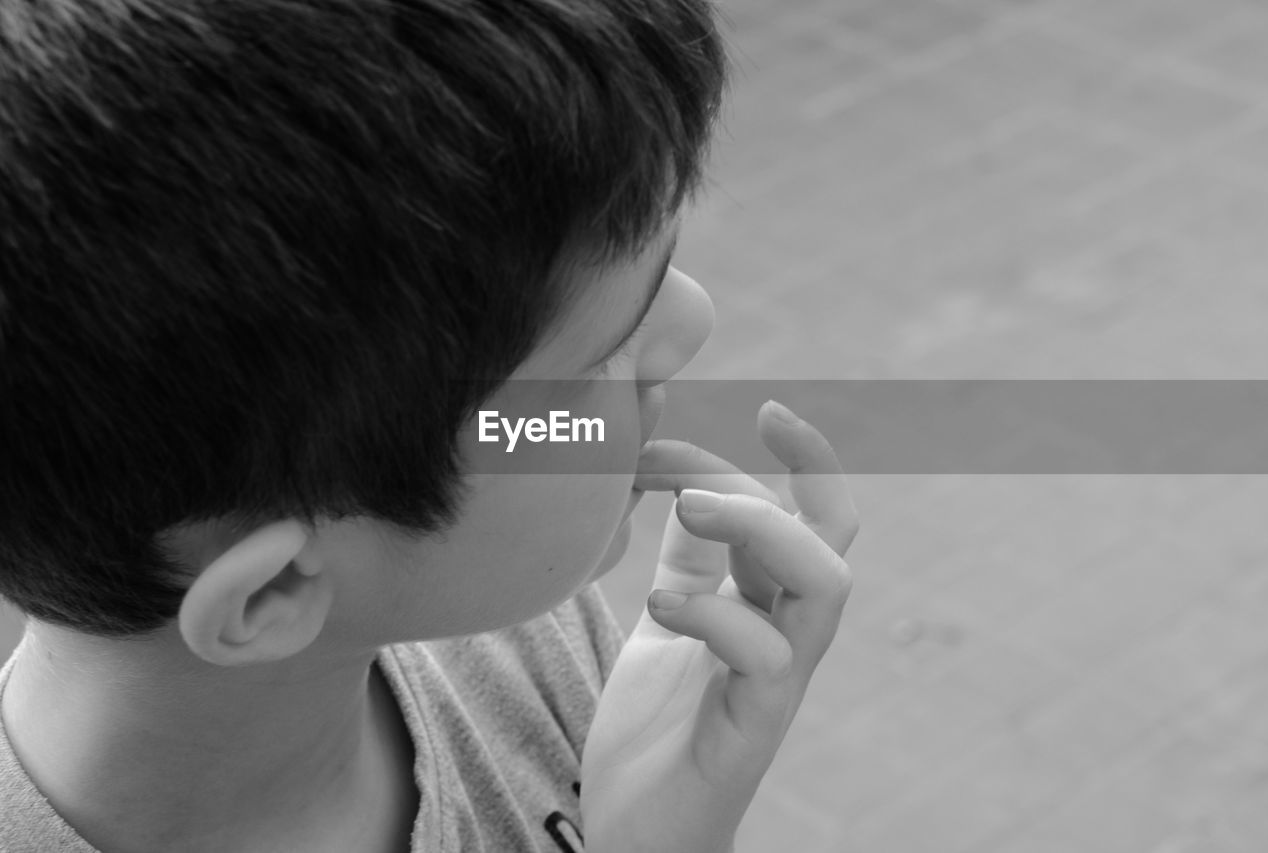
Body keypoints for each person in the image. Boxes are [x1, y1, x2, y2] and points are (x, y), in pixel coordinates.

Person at [0, 0, 858, 850]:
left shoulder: (513, 634)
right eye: (600, 356)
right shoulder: (486, 598)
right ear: (273, 593)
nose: (692, 321)